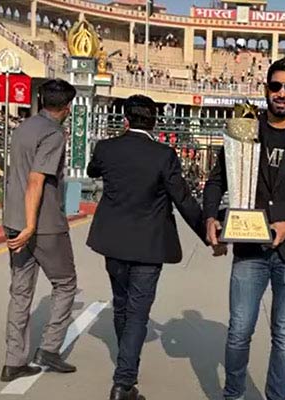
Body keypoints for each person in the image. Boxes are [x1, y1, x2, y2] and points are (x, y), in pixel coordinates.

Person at [203, 56, 285, 400]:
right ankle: (233, 394)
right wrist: (210, 217)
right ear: (265, 88)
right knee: (238, 332)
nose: (281, 93)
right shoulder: (243, 127)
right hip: (249, 249)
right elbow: (217, 181)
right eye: (275, 86)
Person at [86, 95, 220, 400]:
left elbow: (94, 171)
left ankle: (125, 364)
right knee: (137, 313)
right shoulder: (163, 155)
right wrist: (207, 233)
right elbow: (183, 199)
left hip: (112, 241)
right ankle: (123, 382)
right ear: (155, 122)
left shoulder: (107, 148)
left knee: (121, 304)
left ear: (126, 120)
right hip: (148, 245)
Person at [1, 79, 78, 382]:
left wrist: (21, 222)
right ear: (67, 107)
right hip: (42, 224)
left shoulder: (23, 128)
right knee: (66, 283)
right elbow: (36, 179)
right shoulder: (53, 134)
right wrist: (32, 225)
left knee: (20, 291)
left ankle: (14, 360)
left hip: (14, 219)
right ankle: (49, 348)